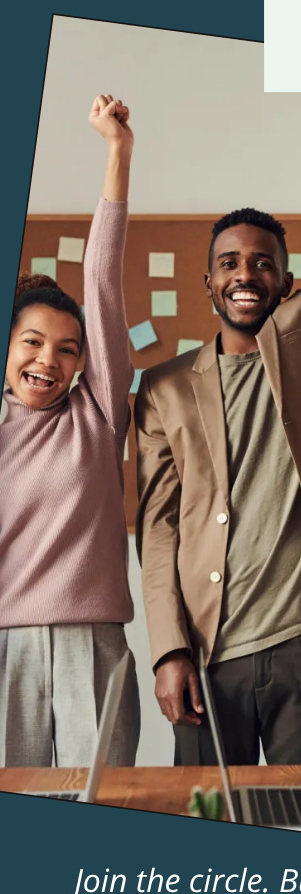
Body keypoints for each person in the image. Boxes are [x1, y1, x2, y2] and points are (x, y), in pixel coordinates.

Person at [136, 92, 301, 766]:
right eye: (230, 263)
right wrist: (166, 649)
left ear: (284, 281)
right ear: (208, 283)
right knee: (204, 828)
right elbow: (160, 528)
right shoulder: (164, 389)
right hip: (205, 650)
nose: (245, 273)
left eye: (261, 263)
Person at [0, 95, 139, 767]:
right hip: (3, 647)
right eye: (31, 342)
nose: (47, 361)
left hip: (95, 643)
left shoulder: (99, 412)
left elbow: (102, 282)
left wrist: (117, 152)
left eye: (66, 349)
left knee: (106, 811)